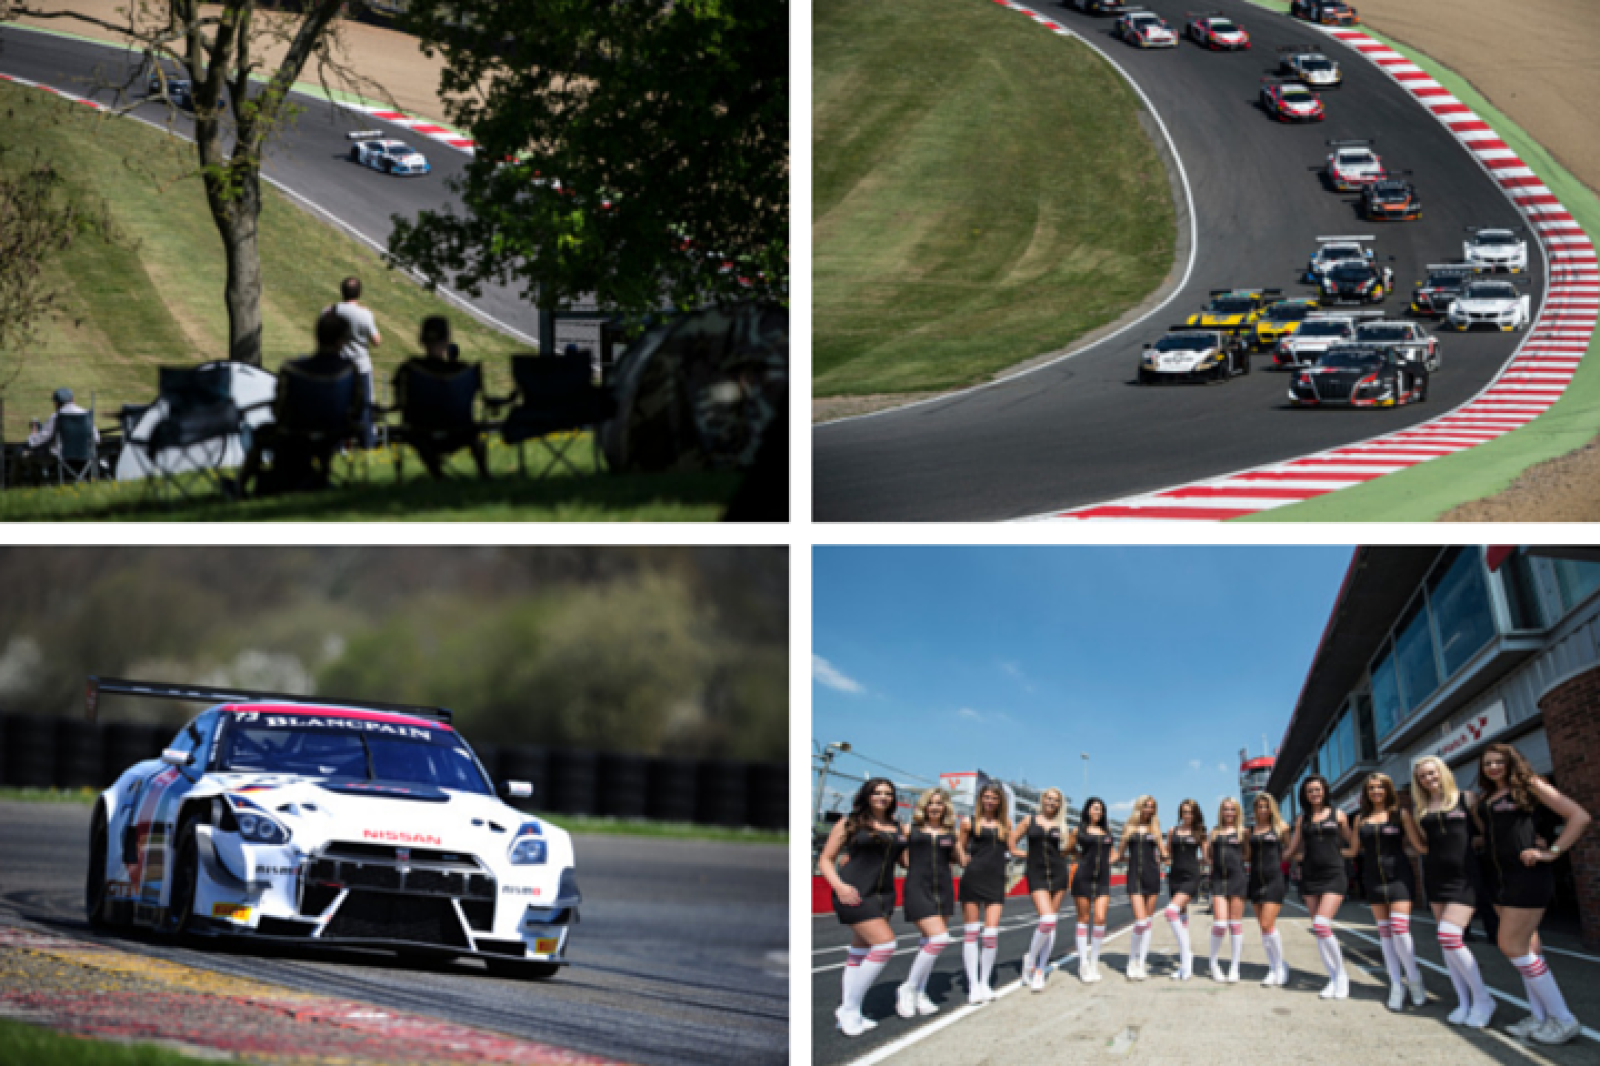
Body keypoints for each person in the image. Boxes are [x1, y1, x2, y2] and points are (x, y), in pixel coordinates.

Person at [1474, 742, 1591, 1045]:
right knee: (1528, 949)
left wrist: (1552, 851)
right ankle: (1540, 1016)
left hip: (1527, 876)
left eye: (1499, 761)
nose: (1494, 767)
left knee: (1511, 945)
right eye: (1488, 763)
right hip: (1497, 879)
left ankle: (1563, 1018)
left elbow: (1579, 816)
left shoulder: (1530, 785)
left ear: (1512, 761)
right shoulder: (1487, 797)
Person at [1405, 756, 1495, 1028]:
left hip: (1464, 877)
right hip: (1435, 877)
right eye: (1422, 776)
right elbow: (1421, 845)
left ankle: (1483, 999)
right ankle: (1463, 1001)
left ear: (1442, 772)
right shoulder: (1421, 808)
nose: (1428, 779)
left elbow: (1487, 832)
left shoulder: (1467, 799)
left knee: (1449, 935)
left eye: (1432, 773)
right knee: (1446, 942)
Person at [232, 312, 363, 498]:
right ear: (342, 340)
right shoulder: (350, 371)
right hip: (335, 432)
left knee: (263, 433)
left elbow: (280, 408)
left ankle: (242, 485)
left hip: (295, 433)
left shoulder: (293, 369)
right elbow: (357, 407)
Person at [818, 777, 904, 1037]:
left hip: (884, 895)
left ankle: (852, 1010)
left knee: (858, 951)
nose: (883, 797)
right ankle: (848, 1009)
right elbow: (825, 859)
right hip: (854, 892)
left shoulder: (898, 826)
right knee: (886, 945)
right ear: (867, 795)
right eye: (877, 792)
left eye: (888, 793)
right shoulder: (851, 822)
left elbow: (907, 860)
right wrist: (839, 887)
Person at [1342, 773, 1425, 1012]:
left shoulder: (1401, 815)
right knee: (1386, 934)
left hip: (1399, 877)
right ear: (1366, 793)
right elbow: (1353, 850)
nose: (1376, 791)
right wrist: (1324, 852)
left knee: (1400, 930)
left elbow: (1418, 847)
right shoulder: (1360, 819)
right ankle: (1396, 985)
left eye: (1380, 787)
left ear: (1388, 789)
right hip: (1373, 879)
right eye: (1371, 788)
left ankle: (1415, 979)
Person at [390, 316, 491, 480]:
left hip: (421, 431)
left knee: (418, 435)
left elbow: (400, 402)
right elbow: (483, 397)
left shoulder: (410, 369)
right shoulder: (464, 370)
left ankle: (436, 471)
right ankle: (483, 473)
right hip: (461, 430)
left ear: (422, 340)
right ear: (447, 340)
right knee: (474, 437)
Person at [896, 787, 963, 1018]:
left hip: (943, 889)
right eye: (931, 803)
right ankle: (909, 987)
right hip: (917, 888)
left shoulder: (950, 833)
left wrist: (963, 840)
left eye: (940, 803)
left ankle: (921, 992)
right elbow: (901, 859)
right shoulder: (910, 829)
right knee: (939, 938)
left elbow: (960, 859)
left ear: (945, 807)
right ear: (924, 806)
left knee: (928, 943)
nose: (935, 807)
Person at [1284, 774, 1351, 1000]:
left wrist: (1338, 856)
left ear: (1324, 791)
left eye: (1317, 789)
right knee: (1319, 931)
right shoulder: (1303, 820)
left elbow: (1353, 844)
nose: (1314, 793)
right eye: (1310, 791)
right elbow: (1292, 849)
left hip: (1334, 875)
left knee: (1322, 925)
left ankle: (1342, 976)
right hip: (1311, 876)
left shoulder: (1339, 815)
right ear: (1305, 795)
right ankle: (1332, 978)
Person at [1010, 786, 1069, 992]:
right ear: (1043, 800)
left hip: (1059, 873)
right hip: (1036, 874)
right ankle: (1030, 960)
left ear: (1060, 805)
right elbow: (1012, 844)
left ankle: (1039, 970)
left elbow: (1064, 850)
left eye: (1056, 800)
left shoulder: (1061, 825)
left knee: (1051, 922)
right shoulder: (1029, 820)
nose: (1051, 803)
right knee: (1047, 919)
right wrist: (1028, 856)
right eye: (1049, 799)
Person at [957, 782, 1009, 1004]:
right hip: (973, 878)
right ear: (980, 799)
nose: (989, 801)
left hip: (996, 880)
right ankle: (973, 985)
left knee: (990, 935)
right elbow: (959, 846)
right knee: (971, 933)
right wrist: (963, 860)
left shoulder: (1005, 824)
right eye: (986, 797)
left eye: (994, 798)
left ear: (1000, 801)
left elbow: (1012, 849)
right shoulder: (969, 822)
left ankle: (985, 982)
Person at [1114, 795, 1166, 981]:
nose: (1149, 810)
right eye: (1146, 806)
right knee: (1141, 922)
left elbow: (1164, 852)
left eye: (1152, 807)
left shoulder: (1156, 829)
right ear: (1139, 807)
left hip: (1152, 876)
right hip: (1134, 876)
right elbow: (1118, 855)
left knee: (1148, 923)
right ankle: (1131, 960)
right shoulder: (1129, 828)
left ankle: (1141, 963)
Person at [331, 276, 381, 448]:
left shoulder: (333, 311)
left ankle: (337, 447)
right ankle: (367, 446)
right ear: (359, 293)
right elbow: (376, 341)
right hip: (361, 367)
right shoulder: (364, 314)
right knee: (364, 409)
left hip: (340, 366)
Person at [1247, 794, 1290, 988]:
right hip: (1255, 881)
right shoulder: (1250, 831)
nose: (1263, 810)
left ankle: (1281, 966)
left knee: (1267, 923)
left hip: (1274, 880)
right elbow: (1248, 856)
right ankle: (1272, 967)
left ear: (1271, 808)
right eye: (1259, 807)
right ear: (1255, 810)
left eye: (1266, 806)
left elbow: (1290, 850)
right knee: (1263, 928)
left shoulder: (1281, 828)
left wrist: (1279, 862)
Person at [1070, 796, 1115, 982]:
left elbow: (1112, 854)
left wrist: (1107, 862)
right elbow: (1069, 849)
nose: (1098, 811)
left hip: (1103, 879)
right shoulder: (1078, 830)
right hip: (1083, 878)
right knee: (1083, 919)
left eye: (1100, 809)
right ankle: (1083, 964)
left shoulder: (1107, 831)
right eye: (1095, 808)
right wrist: (1081, 858)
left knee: (1100, 918)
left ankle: (1094, 962)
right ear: (1088, 810)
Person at [1164, 798, 1206, 981]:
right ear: (1180, 813)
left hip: (1191, 877)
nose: (1187, 815)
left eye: (1190, 811)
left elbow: (1206, 856)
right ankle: (1185, 966)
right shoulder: (1172, 831)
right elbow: (1168, 855)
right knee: (1181, 919)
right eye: (1184, 811)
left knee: (1170, 912)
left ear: (1195, 813)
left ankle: (1187, 955)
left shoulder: (1200, 832)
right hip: (1174, 877)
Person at [1207, 798, 1249, 983]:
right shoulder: (1214, 832)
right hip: (1218, 881)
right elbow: (1209, 855)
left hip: (1237, 879)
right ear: (1221, 812)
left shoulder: (1243, 832)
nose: (1229, 813)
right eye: (1226, 809)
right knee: (1220, 924)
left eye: (1232, 809)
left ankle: (1234, 967)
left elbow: (1247, 854)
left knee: (1235, 925)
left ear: (1237, 812)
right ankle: (1214, 964)